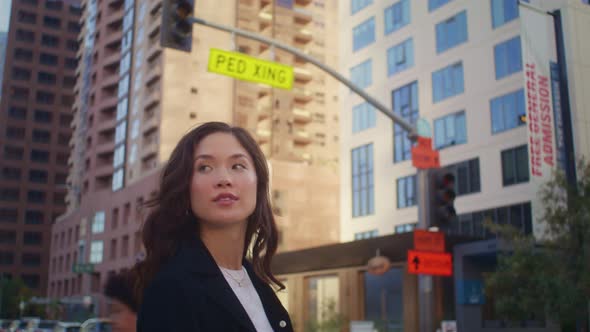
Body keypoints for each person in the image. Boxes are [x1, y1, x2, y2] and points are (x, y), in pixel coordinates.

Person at [135, 122, 293, 331]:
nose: (224, 179)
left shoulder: (259, 285)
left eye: (238, 166)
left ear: (258, 184)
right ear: (185, 188)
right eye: (204, 167)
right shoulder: (171, 288)